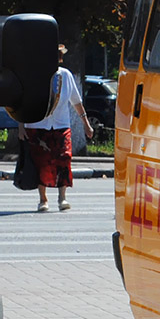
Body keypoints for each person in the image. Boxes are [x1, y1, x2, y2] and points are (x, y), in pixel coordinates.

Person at [16, 44, 93, 211]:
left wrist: (86, 124)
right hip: (37, 124)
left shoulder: (65, 75)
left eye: (58, 56)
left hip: (60, 125)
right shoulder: (33, 76)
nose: (57, 59)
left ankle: (62, 198)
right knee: (40, 162)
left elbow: (76, 101)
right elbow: (24, 102)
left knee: (64, 158)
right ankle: (43, 199)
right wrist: (21, 125)